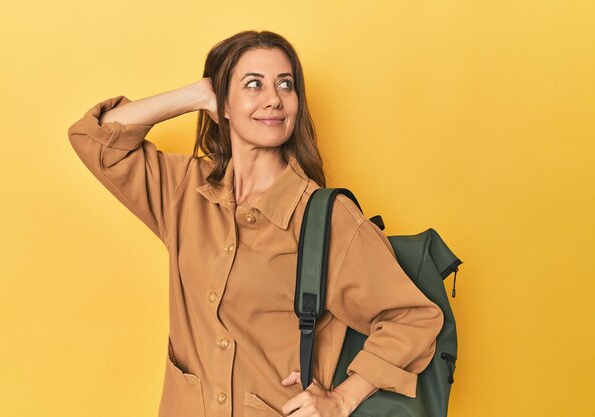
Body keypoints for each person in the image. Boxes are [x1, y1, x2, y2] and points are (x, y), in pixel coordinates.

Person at [68, 30, 444, 417]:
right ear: (223, 105)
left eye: (286, 85)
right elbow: (93, 140)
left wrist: (343, 399)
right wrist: (196, 95)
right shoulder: (185, 192)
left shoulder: (326, 219)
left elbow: (414, 318)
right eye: (253, 84)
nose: (274, 99)